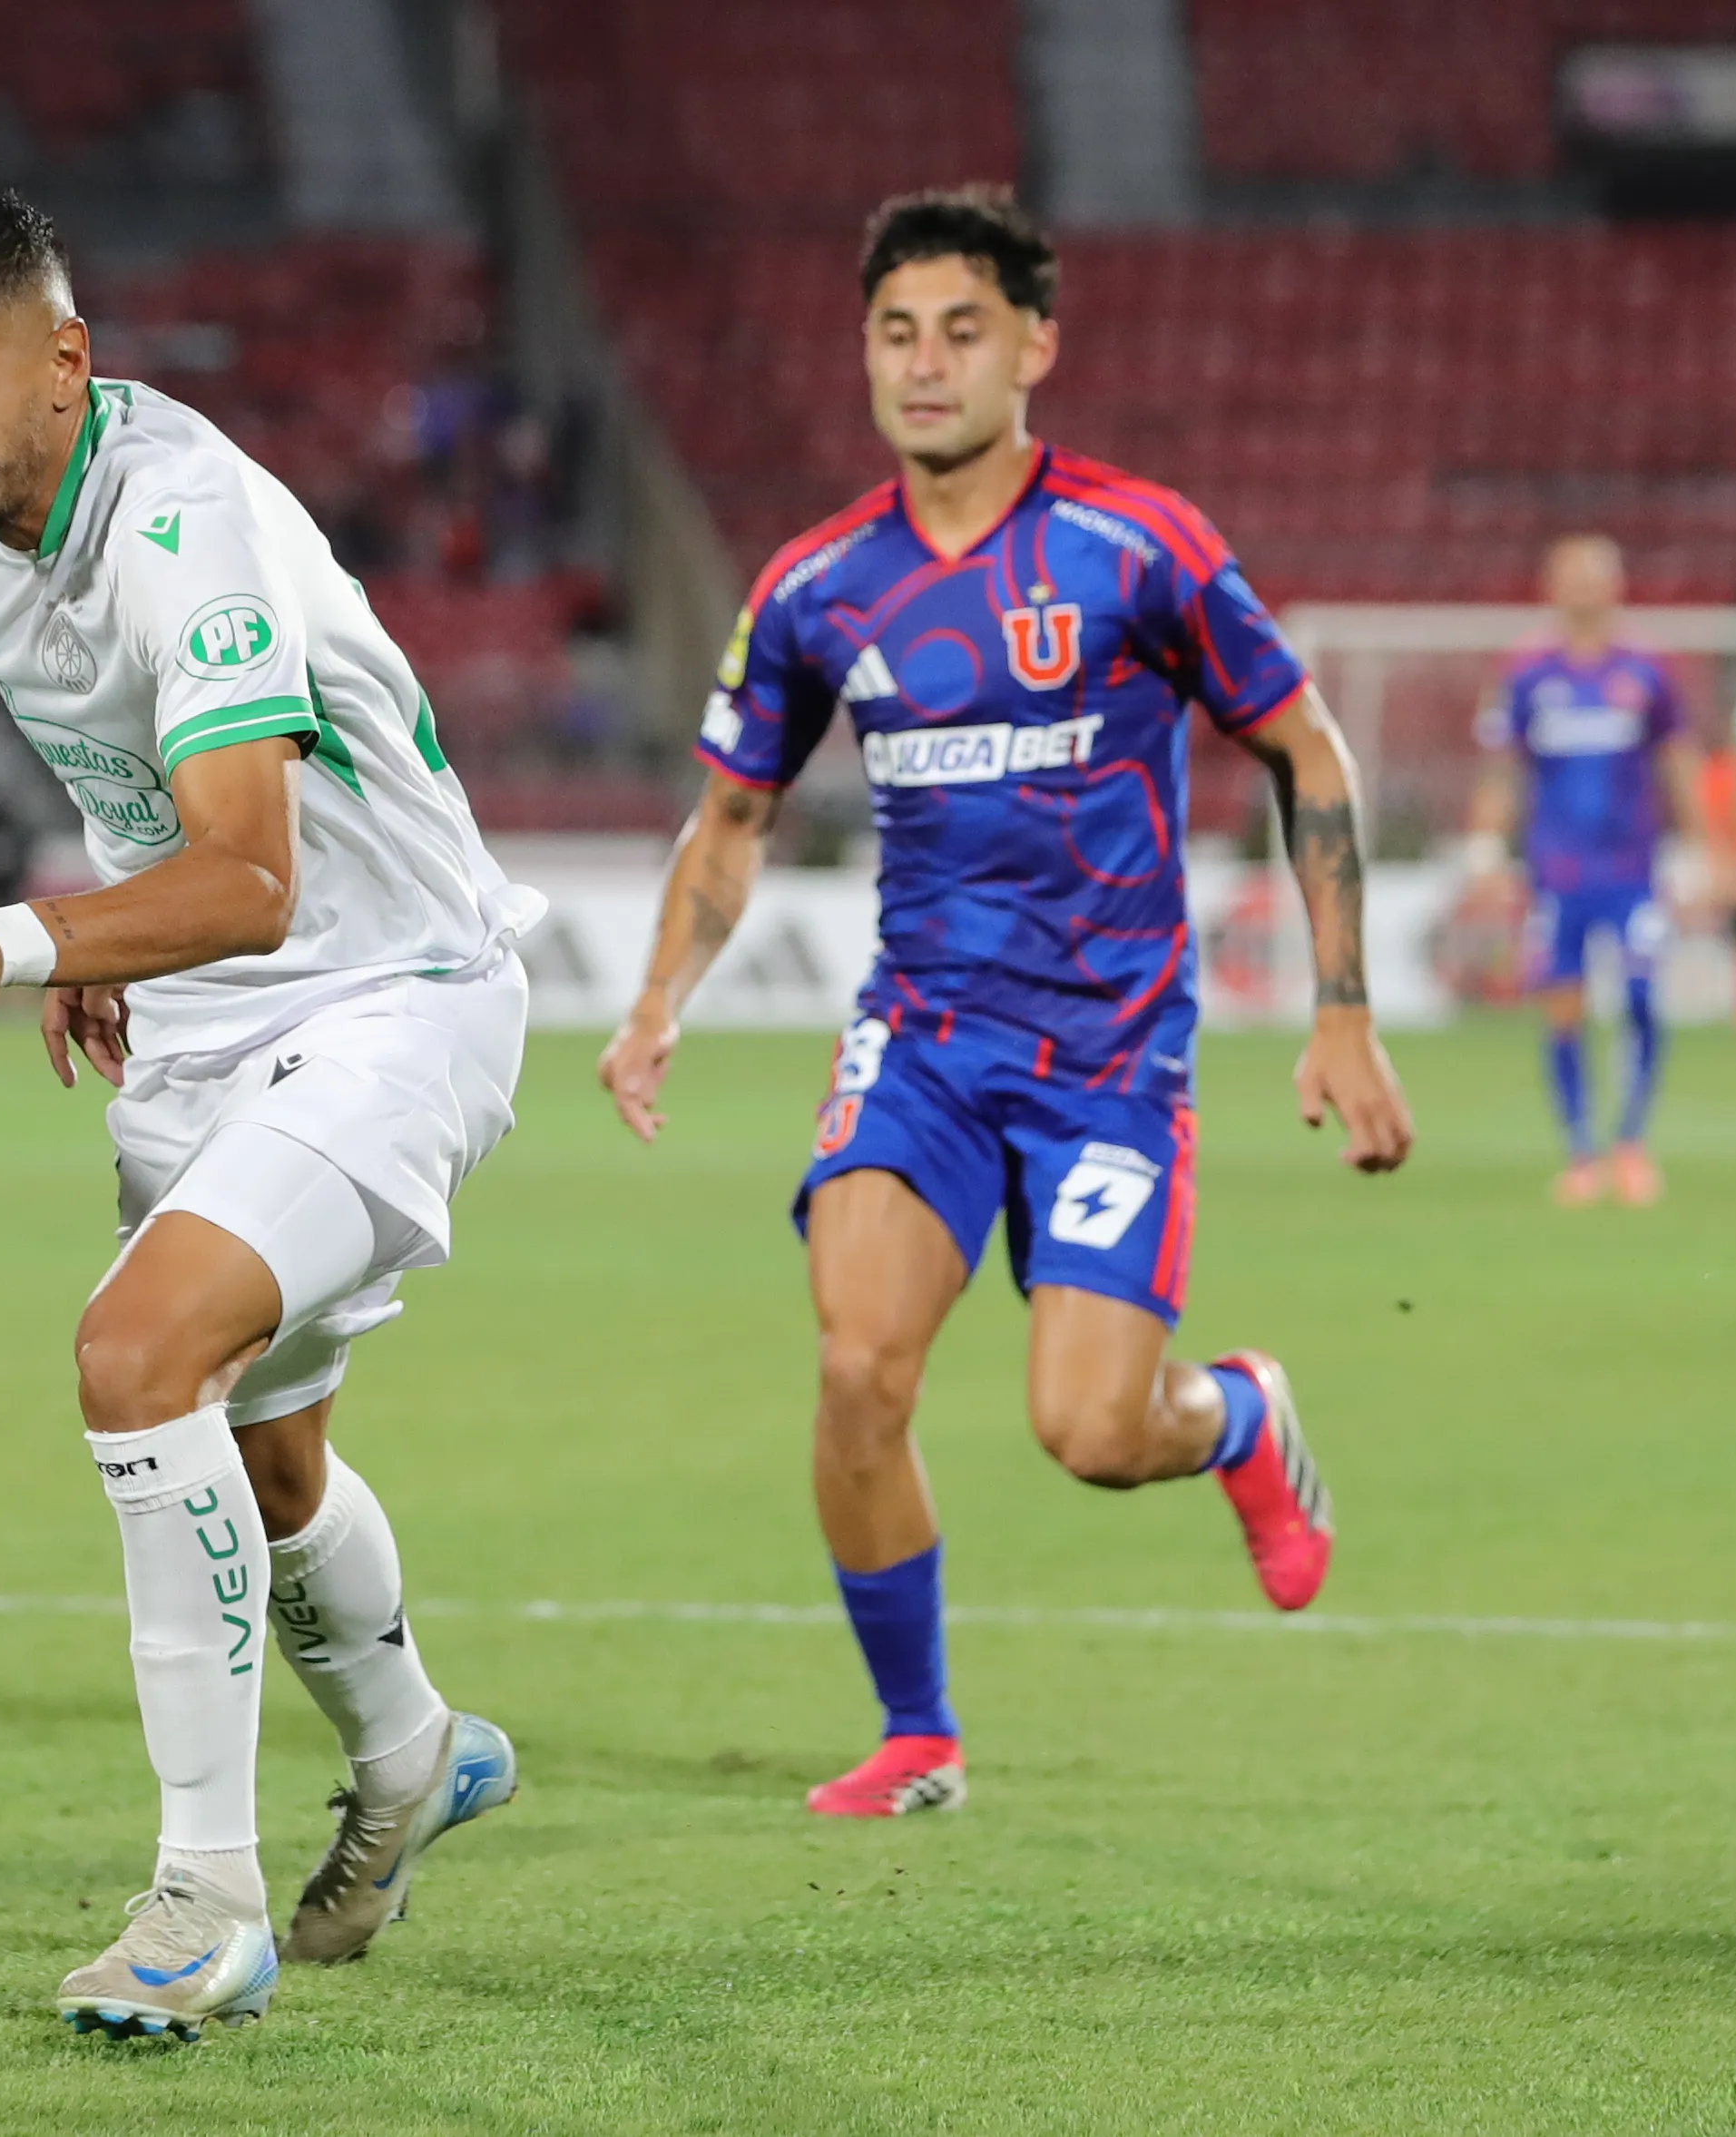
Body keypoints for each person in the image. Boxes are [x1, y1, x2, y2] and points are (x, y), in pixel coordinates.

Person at [598, 187, 1415, 1821]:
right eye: (894, 332)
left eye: (961, 329)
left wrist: (1341, 1008)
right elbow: (733, 814)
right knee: (854, 1372)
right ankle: (919, 1735)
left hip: (1110, 1060)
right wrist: (654, 1001)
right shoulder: (820, 586)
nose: (923, 363)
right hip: (925, 1046)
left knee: (1093, 1433)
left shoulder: (1136, 545)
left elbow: (1301, 743)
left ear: (1035, 345)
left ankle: (1239, 1414)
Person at [0, 187, 532, 2038]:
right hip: (204, 1028)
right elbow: (163, 822)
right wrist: (97, 931)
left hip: (393, 1000)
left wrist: (17, 929)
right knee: (268, 1465)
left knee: (133, 1355)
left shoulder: (178, 519)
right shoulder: (1, 536)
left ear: (64, 360)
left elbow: (254, 875)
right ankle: (410, 1746)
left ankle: (197, 1896)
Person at [1466, 534, 1734, 1203]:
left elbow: (1678, 762)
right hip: (1556, 870)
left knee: (1644, 996)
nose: (1584, 587)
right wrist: (1483, 851)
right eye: (1572, 575)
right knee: (1563, 1004)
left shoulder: (1647, 672)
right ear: (1550, 585)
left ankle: (1632, 1142)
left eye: (1596, 575)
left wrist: (1706, 849)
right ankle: (1582, 1150)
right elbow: (1501, 768)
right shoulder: (1526, 675)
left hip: (1632, 868)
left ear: (1618, 585)